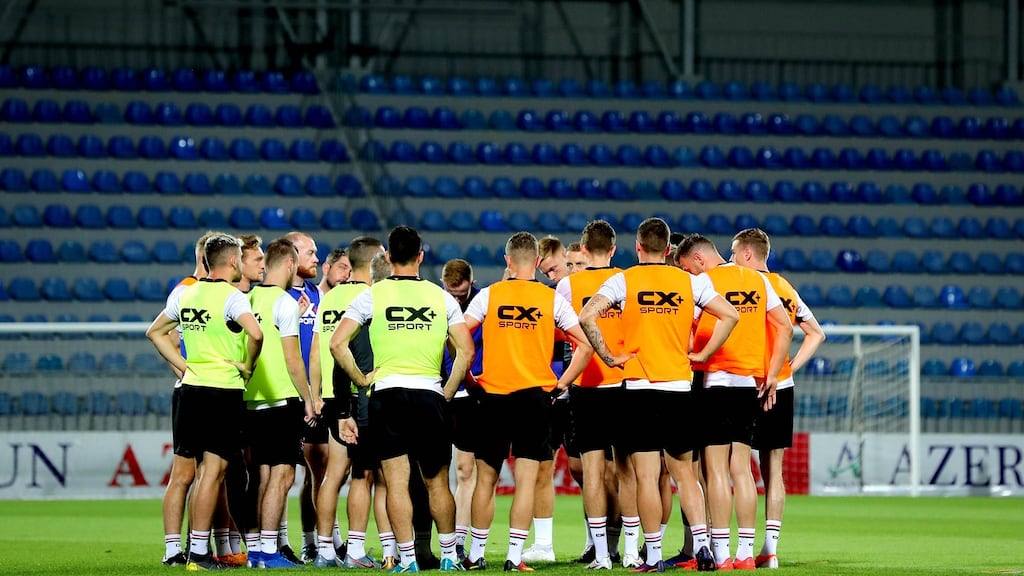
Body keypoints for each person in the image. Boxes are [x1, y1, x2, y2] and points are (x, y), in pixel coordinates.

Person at [579, 217, 739, 573]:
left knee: (646, 477)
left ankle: (652, 556)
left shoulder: (624, 279)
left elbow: (588, 314)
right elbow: (729, 315)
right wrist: (702, 355)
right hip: (679, 388)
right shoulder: (689, 281)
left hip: (639, 389)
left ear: (637, 248)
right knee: (685, 474)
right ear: (669, 250)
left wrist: (609, 357)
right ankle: (702, 546)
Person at [331, 225, 475, 573]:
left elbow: (337, 343)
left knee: (395, 481)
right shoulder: (440, 297)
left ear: (389, 257)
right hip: (429, 395)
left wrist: (362, 379)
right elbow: (466, 350)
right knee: (438, 482)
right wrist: (448, 391)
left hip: (388, 395)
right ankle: (450, 558)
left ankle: (407, 559)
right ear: (421, 257)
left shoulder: (372, 295)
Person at [461, 231, 594, 573]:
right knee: (527, 480)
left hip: (491, 395)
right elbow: (585, 345)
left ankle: (475, 555)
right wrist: (561, 385)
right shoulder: (552, 300)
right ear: (536, 262)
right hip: (535, 398)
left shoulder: (488, 296)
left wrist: (468, 380)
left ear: (507, 260)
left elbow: (458, 337)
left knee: (485, 479)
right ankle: (514, 556)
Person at [145, 233, 264, 571]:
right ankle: (198, 552)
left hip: (189, 390)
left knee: (188, 472)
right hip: (221, 391)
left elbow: (154, 332)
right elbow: (256, 334)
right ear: (232, 262)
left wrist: (185, 367)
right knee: (212, 472)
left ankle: (183, 551)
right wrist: (248, 365)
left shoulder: (188, 293)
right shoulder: (232, 297)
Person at [675, 233, 794, 571]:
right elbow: (785, 328)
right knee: (741, 469)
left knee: (714, 472)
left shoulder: (704, 284)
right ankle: (746, 554)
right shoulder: (757, 280)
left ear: (698, 259)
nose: (688, 274)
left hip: (714, 381)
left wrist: (696, 353)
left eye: (686, 267)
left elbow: (688, 331)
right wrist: (772, 374)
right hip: (748, 384)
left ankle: (721, 553)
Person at [730, 228, 826, 570]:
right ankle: (770, 550)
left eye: (733, 252)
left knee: (731, 466)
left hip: (745, 383)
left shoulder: (742, 286)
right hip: (780, 386)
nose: (730, 259)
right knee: (773, 470)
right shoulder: (786, 287)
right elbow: (816, 333)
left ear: (746, 255)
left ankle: (731, 547)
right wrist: (788, 368)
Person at [554, 220, 630, 569]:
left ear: (582, 250)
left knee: (594, 471)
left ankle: (601, 554)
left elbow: (558, 329)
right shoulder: (627, 280)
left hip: (586, 386)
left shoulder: (568, 285)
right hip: (625, 383)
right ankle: (629, 550)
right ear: (614, 250)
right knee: (628, 472)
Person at [310, 236, 389, 569]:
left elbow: (316, 351)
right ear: (373, 262)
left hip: (330, 395)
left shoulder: (327, 299)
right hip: (359, 396)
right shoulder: (370, 298)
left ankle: (325, 549)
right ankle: (356, 548)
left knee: (332, 474)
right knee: (366, 475)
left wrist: (313, 396)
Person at [244, 238, 318, 568]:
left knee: (262, 475)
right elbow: (293, 361)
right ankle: (270, 552)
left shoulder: (247, 298)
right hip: (281, 398)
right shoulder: (285, 302)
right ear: (289, 265)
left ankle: (257, 549)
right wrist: (309, 398)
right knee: (283, 475)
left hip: (251, 399)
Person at [522, 236, 588, 564]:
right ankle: (545, 544)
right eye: (546, 271)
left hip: (576, 391)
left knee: (585, 469)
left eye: (556, 268)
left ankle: (600, 542)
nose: (553, 275)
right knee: (543, 467)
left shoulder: (583, 292)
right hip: (551, 390)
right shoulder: (548, 299)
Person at [157, 230, 216, 567]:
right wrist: (182, 371)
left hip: (207, 388)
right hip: (194, 389)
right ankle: (172, 548)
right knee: (185, 473)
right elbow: (164, 333)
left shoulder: (214, 290)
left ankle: (197, 546)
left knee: (207, 472)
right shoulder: (186, 290)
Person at [282, 231, 324, 563]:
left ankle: (313, 542)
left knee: (317, 470)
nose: (316, 258)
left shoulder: (315, 295)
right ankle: (274, 541)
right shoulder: (273, 297)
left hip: (314, 398)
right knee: (275, 473)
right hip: (283, 395)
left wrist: (315, 395)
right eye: (310, 252)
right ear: (291, 256)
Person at [440, 258, 484, 561]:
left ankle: (459, 541)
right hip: (441, 393)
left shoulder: (483, 303)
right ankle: (437, 540)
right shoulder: (436, 301)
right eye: (451, 292)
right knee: (438, 472)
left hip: (473, 394)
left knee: (466, 470)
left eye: (461, 292)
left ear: (471, 282)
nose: (456, 298)